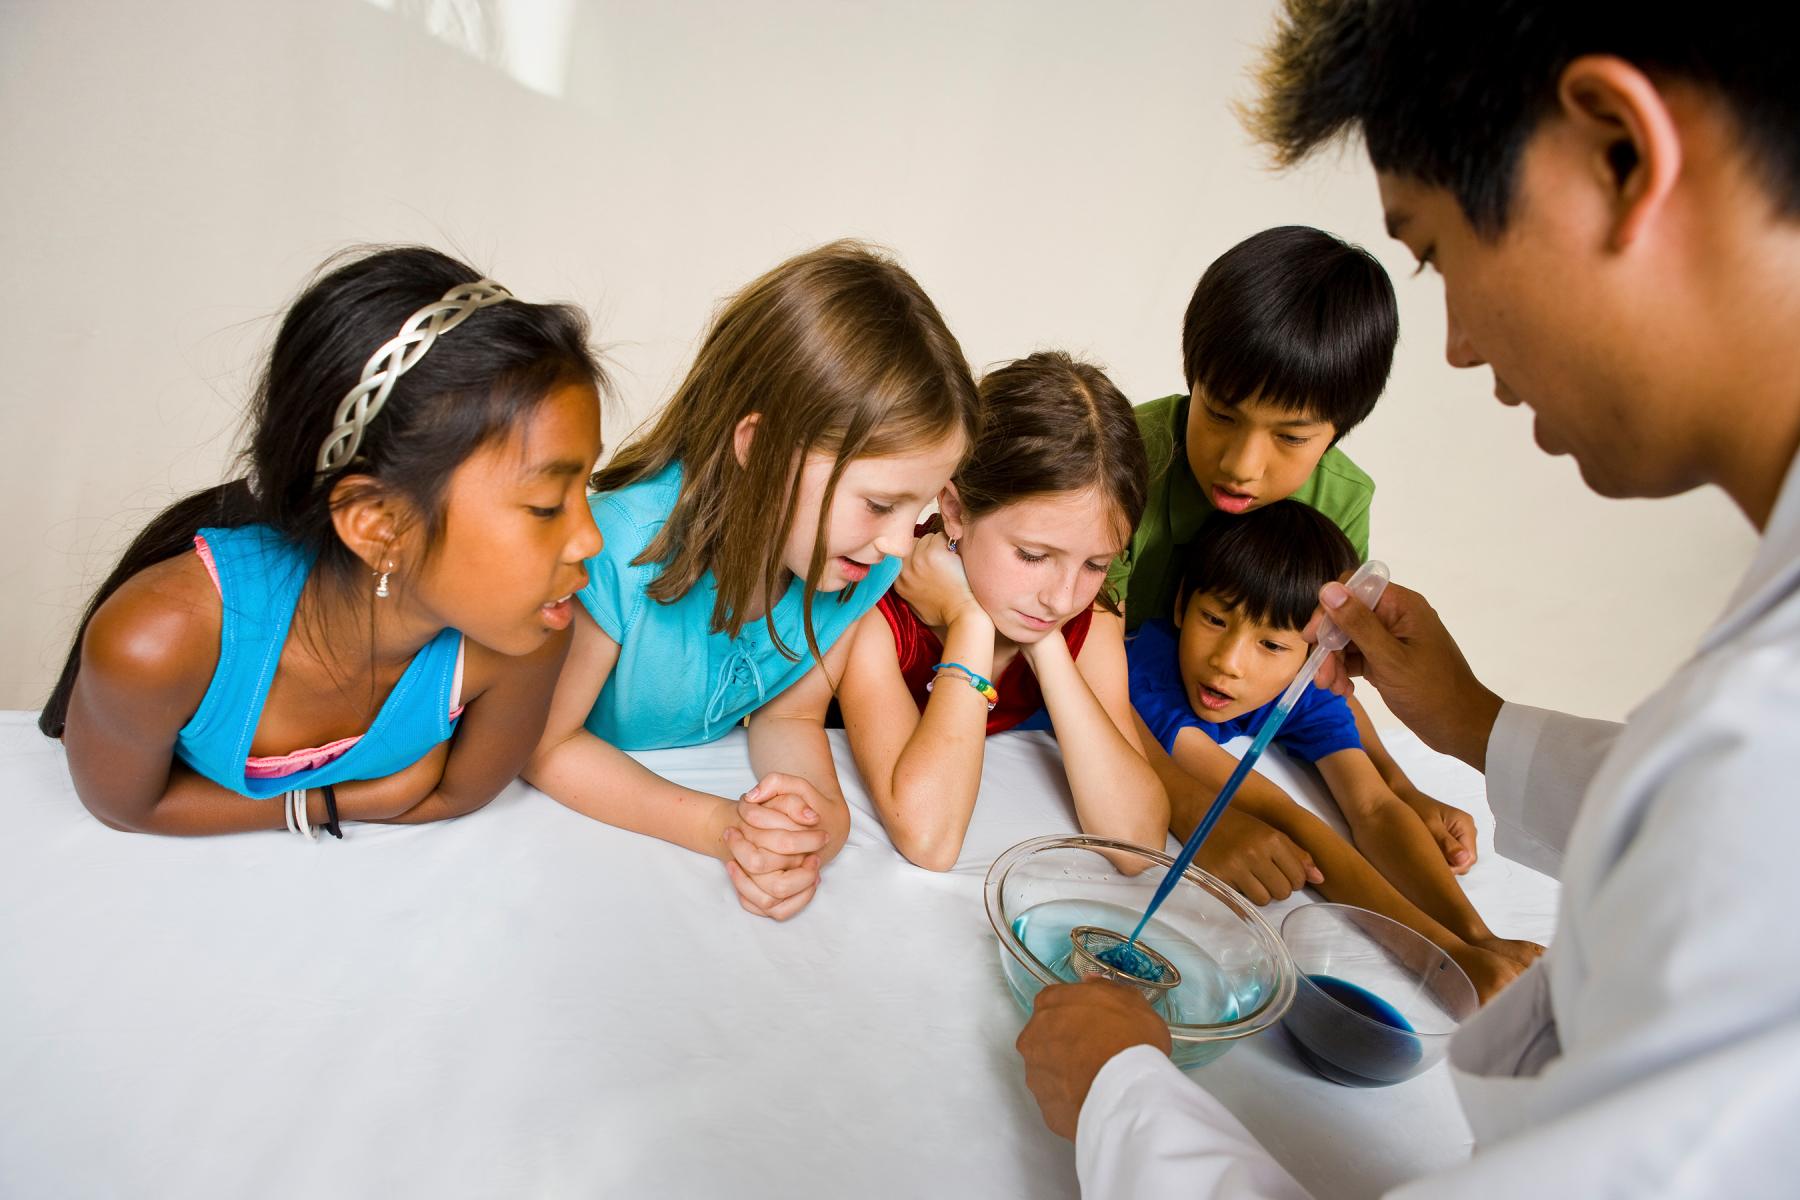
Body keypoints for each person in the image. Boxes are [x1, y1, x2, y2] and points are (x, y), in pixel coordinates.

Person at [1016, 3, 1800, 1195]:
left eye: (1433, 251)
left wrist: (1127, 1100)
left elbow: (1727, 808)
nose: (1460, 348)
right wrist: (1480, 729)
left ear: (1619, 156)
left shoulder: (1757, 755)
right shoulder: (1748, 734)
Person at [43, 246, 607, 836]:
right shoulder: (156, 642)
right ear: (378, 523)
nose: (590, 539)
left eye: (585, 485)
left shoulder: (528, 635)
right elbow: (124, 805)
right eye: (545, 505)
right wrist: (338, 802)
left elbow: (456, 797)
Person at [524, 241, 978, 920]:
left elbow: (788, 710)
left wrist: (814, 818)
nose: (897, 543)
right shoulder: (616, 548)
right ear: (759, 447)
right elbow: (545, 744)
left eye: (920, 508)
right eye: (881, 504)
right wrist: (719, 827)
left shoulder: (861, 567)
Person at [1113, 226, 1481, 908]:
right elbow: (1078, 656)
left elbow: (1322, 672)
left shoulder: (1342, 500)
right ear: (1191, 378)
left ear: (1338, 430)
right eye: (1219, 414)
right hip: (1113, 713)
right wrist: (1199, 816)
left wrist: (1398, 784)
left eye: (1290, 437)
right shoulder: (1122, 462)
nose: (1242, 465)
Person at [1130, 500, 1540, 1001]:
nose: (1227, 663)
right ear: (1180, 605)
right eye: (1214, 619)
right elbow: (1282, 812)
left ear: (1318, 652)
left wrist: (1477, 940)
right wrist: (1440, 960)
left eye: (1272, 645)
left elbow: (1374, 806)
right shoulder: (1145, 669)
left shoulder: (1304, 687)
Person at [837, 351, 1167, 871]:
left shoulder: (1087, 618)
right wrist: (970, 622)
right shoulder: (877, 606)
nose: (1062, 598)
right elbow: (929, 836)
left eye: (1096, 564)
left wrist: (1047, 645)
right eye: (1033, 556)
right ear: (955, 509)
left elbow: (1138, 847)